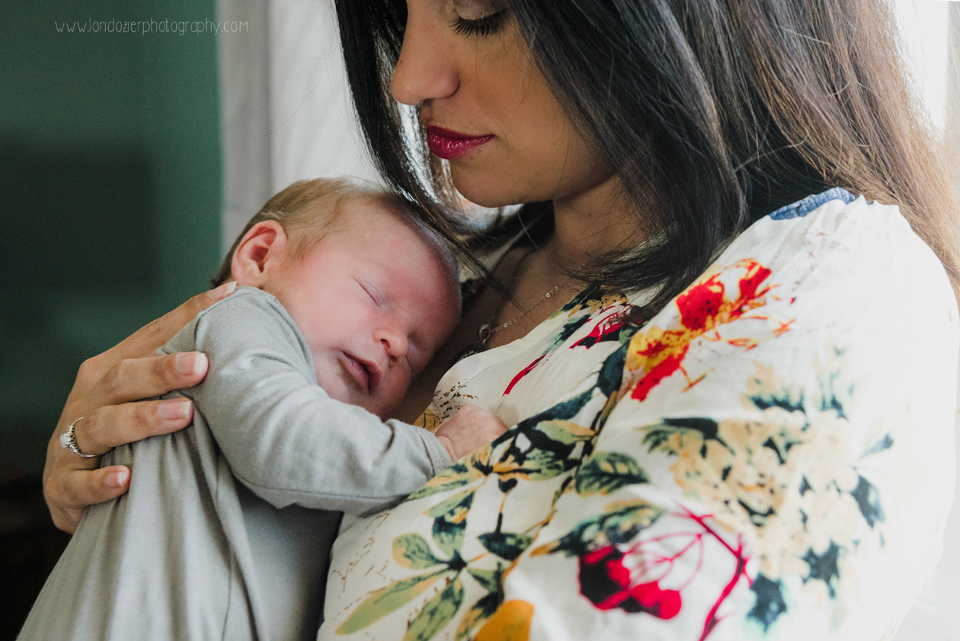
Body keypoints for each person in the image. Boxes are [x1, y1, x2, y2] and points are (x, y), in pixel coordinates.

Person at [40, 0, 960, 639]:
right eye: (405, 16)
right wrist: (123, 463)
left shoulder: (830, 291)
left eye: (479, 12)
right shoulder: (431, 280)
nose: (406, 79)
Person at [19, 177, 506, 640]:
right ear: (260, 256)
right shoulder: (244, 318)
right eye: (373, 295)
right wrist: (440, 453)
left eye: (416, 352)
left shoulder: (345, 443)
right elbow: (282, 440)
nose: (395, 342)